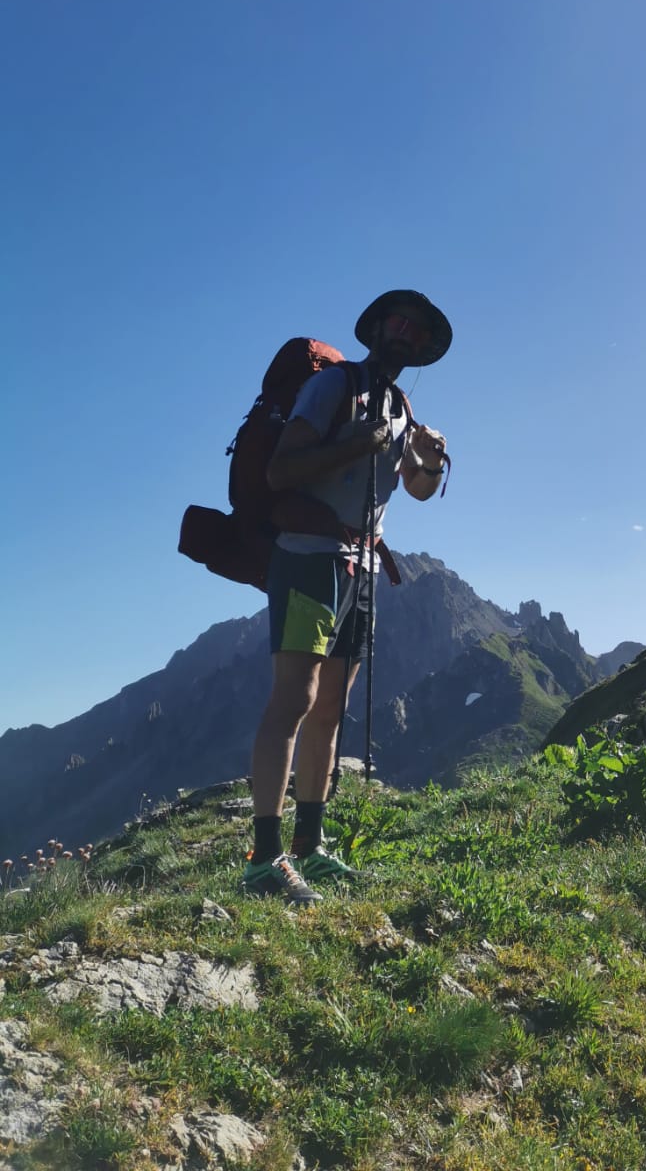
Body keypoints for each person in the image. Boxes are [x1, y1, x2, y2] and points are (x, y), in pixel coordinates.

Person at [242, 289, 452, 904]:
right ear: (378, 327)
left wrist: (431, 465)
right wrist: (355, 444)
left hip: (358, 568)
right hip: (309, 557)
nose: (407, 337)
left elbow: (412, 489)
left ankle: (309, 843)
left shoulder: (401, 407)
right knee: (296, 699)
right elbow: (281, 472)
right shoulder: (335, 388)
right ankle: (264, 857)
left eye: (418, 335)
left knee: (331, 705)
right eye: (401, 325)